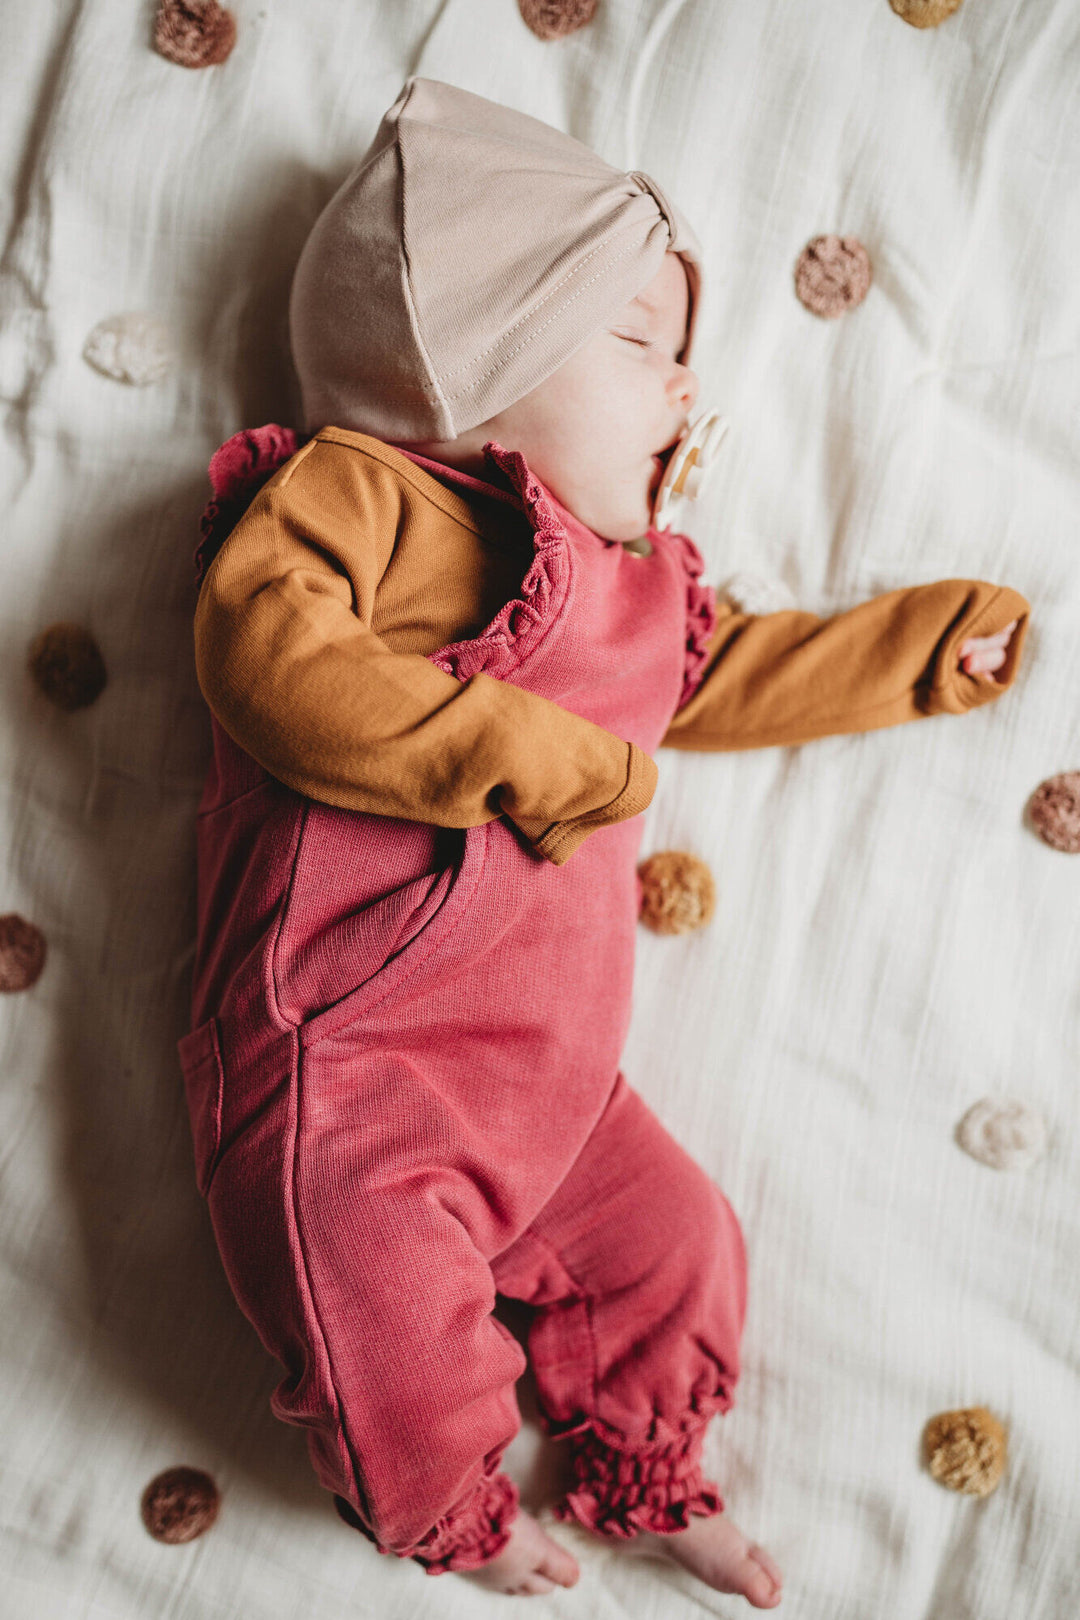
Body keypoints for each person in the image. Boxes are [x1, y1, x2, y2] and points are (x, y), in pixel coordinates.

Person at [179, 77, 1028, 1606]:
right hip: (351, 1074)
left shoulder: (641, 593)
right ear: (465, 365)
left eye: (688, 355)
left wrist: (919, 649)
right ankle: (452, 1512)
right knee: (376, 1324)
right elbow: (269, 664)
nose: (688, 390)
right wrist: (511, 752)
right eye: (643, 343)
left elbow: (739, 672)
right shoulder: (357, 499)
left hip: (549, 1090)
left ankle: (648, 1467)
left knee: (681, 1247)